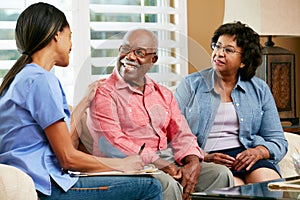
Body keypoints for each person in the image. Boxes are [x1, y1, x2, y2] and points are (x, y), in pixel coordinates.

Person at [0, 3, 162, 200]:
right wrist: (121, 164)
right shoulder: (41, 79)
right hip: (47, 188)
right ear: (56, 34)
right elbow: (67, 158)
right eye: (70, 36)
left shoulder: (20, 78)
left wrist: (85, 101)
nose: (71, 45)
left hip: (32, 180)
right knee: (150, 187)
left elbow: (60, 143)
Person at [86, 28, 234, 200]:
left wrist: (193, 162)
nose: (130, 56)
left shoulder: (162, 93)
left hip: (165, 160)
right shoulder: (103, 92)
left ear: (153, 59)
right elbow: (114, 143)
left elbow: (182, 134)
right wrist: (162, 164)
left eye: (139, 52)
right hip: (126, 165)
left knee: (220, 174)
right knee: (166, 183)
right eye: (125, 49)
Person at [174, 21, 288, 186]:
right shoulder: (190, 85)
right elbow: (174, 134)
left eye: (228, 50)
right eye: (217, 46)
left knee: (268, 185)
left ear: (243, 61)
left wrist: (259, 151)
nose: (218, 53)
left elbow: (277, 139)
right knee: (235, 188)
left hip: (247, 157)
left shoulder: (259, 89)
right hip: (208, 158)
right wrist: (203, 156)